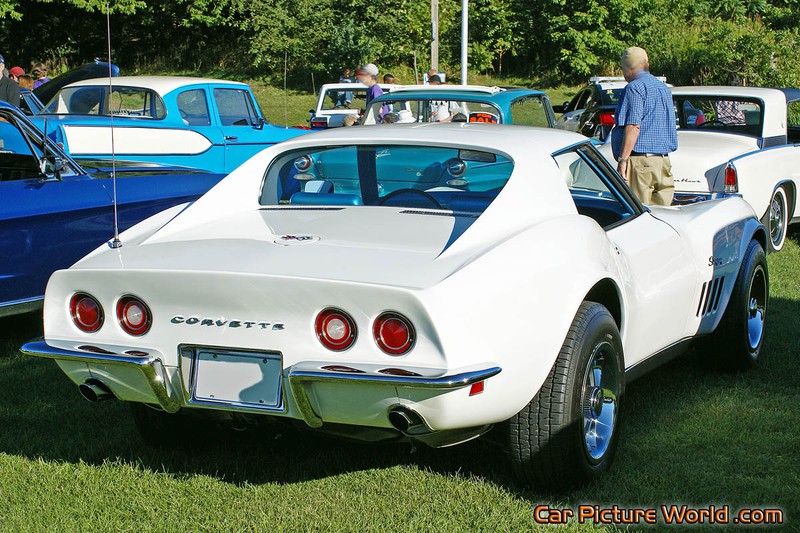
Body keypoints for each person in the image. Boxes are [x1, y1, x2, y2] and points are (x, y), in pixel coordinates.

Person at [611, 46, 677, 206]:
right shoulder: (663, 88)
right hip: (663, 161)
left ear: (628, 67)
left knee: (640, 214)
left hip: (641, 162)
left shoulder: (634, 88)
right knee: (663, 216)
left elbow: (633, 125)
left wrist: (623, 160)